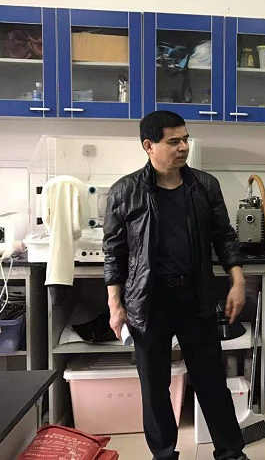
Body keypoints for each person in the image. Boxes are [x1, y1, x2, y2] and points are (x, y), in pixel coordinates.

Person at [103, 110, 249, 460]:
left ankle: (231, 453)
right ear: (149, 145)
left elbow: (224, 237)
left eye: (185, 139)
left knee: (212, 383)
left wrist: (237, 280)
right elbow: (113, 252)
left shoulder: (205, 186)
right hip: (148, 301)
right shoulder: (125, 191)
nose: (184, 147)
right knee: (155, 388)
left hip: (195, 298)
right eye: (174, 141)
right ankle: (164, 455)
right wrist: (115, 304)